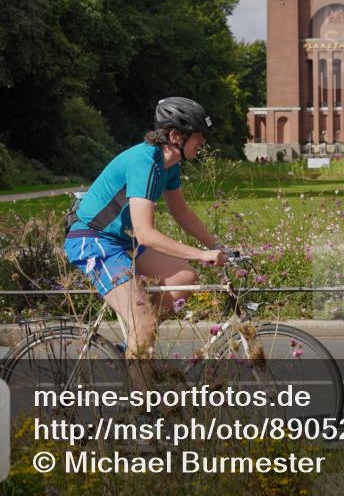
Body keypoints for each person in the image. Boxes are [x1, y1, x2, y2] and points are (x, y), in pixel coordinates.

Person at [63, 97, 226, 388]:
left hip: (121, 241)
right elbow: (146, 233)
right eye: (198, 137)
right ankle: (141, 418)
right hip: (92, 239)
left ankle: (137, 349)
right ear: (176, 136)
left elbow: (181, 212)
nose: (202, 143)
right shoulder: (144, 163)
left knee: (185, 278)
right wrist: (201, 253)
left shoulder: (170, 165)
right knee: (143, 321)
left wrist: (219, 245)